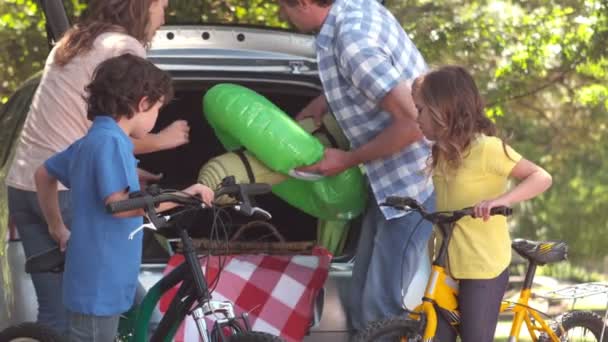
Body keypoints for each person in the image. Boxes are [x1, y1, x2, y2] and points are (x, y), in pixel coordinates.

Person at [5, 0, 184, 334]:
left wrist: (125, 168)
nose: (163, 15)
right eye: (161, 5)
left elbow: (90, 141)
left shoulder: (74, 39)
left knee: (57, 314)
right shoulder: (124, 49)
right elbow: (119, 127)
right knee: (107, 297)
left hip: (26, 184)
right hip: (68, 192)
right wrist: (162, 140)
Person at [277, 0, 435, 332]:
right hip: (389, 187)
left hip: (413, 184)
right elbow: (367, 80)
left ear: (304, 3)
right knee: (360, 298)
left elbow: (416, 123)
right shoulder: (356, 8)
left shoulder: (351, 39)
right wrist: (322, 102)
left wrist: (347, 159)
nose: (282, 15)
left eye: (284, 7)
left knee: (380, 308)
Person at [34, 54, 214, 342]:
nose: (157, 119)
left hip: (112, 272)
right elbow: (121, 207)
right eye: (157, 109)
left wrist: (57, 226)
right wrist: (183, 195)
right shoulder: (112, 141)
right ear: (143, 103)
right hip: (100, 280)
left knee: (152, 326)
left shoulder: (94, 139)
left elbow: (44, 174)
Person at [412, 65, 552, 342]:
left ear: (443, 110)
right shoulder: (441, 150)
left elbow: (541, 177)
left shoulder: (487, 148)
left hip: (482, 263)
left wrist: (499, 201)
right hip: (449, 261)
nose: (417, 119)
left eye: (421, 110)